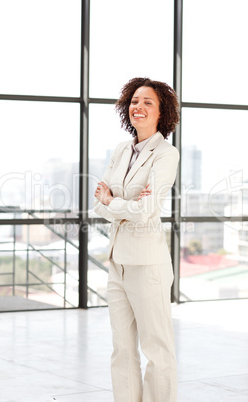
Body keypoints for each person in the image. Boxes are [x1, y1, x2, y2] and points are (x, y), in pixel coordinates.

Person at [94, 77, 180, 402]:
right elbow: (97, 203)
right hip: (117, 264)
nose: (138, 107)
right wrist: (119, 203)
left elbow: (146, 211)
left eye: (148, 102)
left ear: (162, 113)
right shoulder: (120, 150)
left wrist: (112, 200)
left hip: (147, 265)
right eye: (134, 101)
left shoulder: (166, 154)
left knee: (157, 350)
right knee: (122, 350)